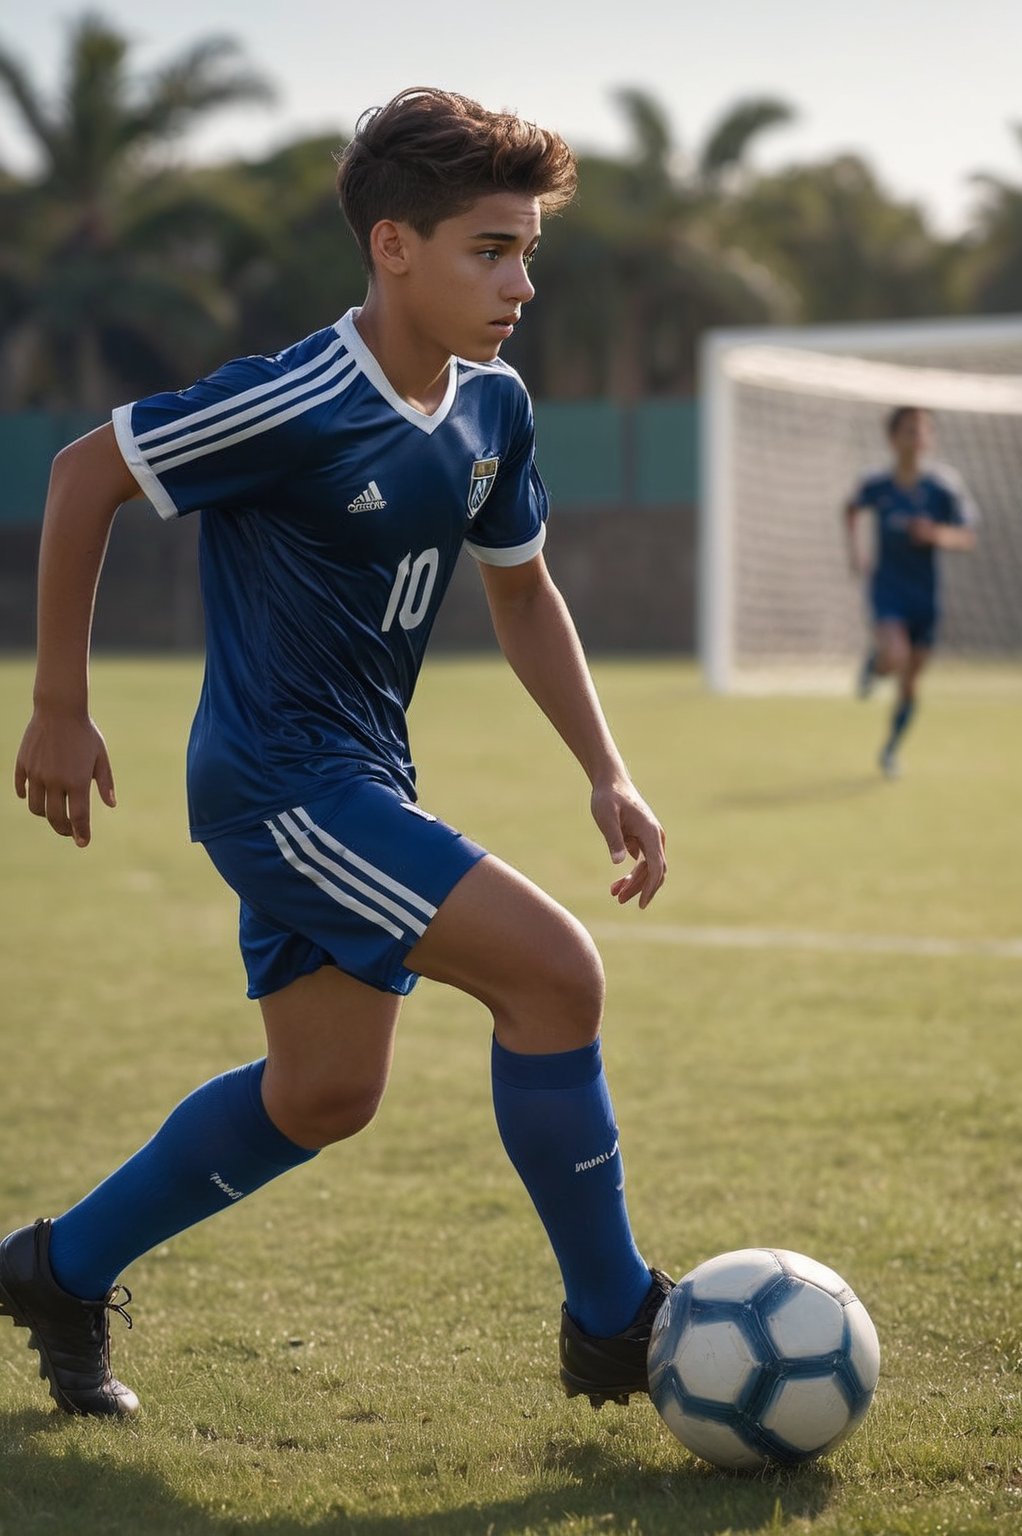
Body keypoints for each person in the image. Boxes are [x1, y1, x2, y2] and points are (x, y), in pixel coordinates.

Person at [1, 87, 671, 1421]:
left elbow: (525, 594)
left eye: (529, 250)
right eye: (492, 248)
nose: (522, 281)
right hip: (278, 784)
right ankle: (619, 1325)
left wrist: (607, 766)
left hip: (362, 778)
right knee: (556, 978)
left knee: (323, 1093)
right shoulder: (295, 398)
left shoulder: (493, 413)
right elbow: (85, 473)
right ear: (393, 247)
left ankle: (56, 1272)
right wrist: (60, 705)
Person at [844, 405, 977, 777]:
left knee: (910, 681)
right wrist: (855, 552)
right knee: (897, 655)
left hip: (925, 597)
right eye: (908, 430)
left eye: (923, 430)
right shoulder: (877, 485)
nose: (916, 437)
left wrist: (935, 534)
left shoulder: (943, 488)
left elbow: (967, 536)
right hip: (888, 591)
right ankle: (878, 659)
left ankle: (890, 749)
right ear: (893, 439)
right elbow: (851, 509)